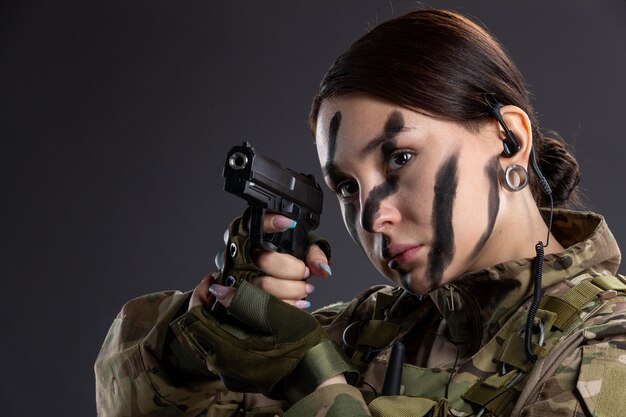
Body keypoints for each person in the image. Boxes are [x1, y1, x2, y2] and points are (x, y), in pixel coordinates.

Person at [95, 8, 626, 417]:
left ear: (509, 141)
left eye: (400, 159)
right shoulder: (366, 331)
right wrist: (203, 333)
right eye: (347, 187)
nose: (372, 219)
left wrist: (315, 383)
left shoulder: (607, 352)